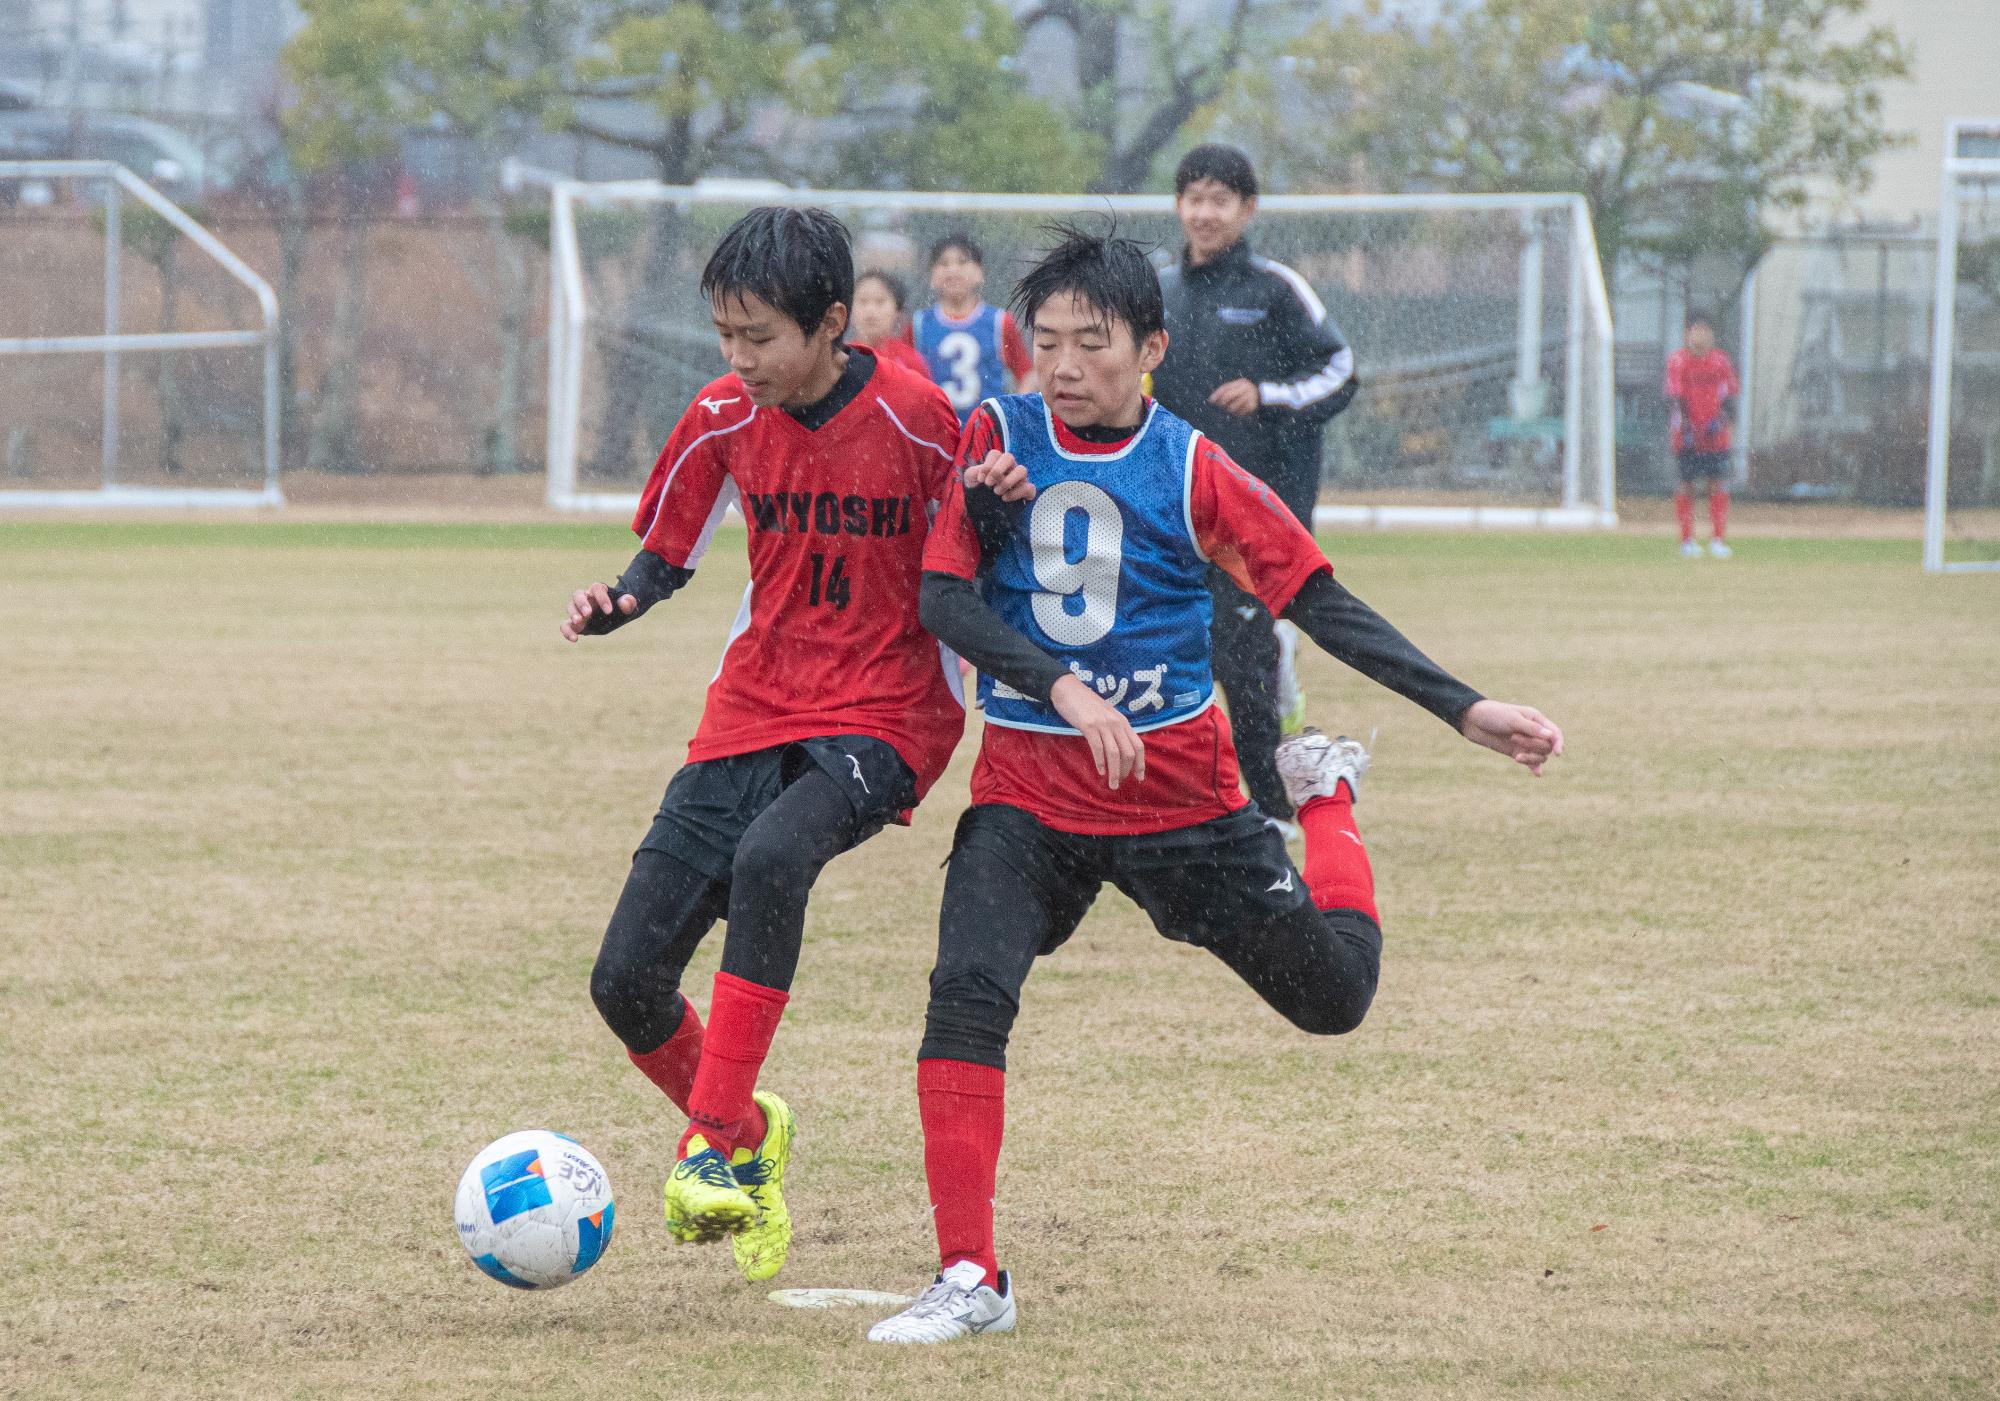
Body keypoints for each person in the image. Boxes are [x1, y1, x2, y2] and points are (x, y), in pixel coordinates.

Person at [866, 222, 1564, 1344]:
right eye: (1042, 342)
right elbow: (943, 600)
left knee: (1333, 1000)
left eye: (1088, 344)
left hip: (1178, 803)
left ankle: (1323, 792)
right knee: (965, 987)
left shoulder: (1191, 466)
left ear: (1148, 347)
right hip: (1028, 796)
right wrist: (1064, 691)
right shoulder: (993, 436)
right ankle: (970, 1277)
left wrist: (1462, 707)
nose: (1061, 367)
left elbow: (1318, 598)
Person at [560, 206, 1026, 1286]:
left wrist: (998, 509)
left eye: (759, 335)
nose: (738, 357)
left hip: (887, 713)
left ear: (830, 326)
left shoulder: (917, 420)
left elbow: (974, 552)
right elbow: (666, 549)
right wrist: (618, 602)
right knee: (625, 982)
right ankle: (749, 1134)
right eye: (724, 333)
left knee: (774, 858)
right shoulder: (724, 411)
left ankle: (709, 1142)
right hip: (753, 706)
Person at [1152, 143, 1359, 832]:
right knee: (1167, 649)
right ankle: (1162, 807)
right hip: (1169, 510)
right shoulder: (1160, 293)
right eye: (1194, 197)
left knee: (1238, 662)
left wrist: (1267, 394)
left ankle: (1273, 813)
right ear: (1179, 205)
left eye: (1220, 199)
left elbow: (1341, 370)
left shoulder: (1275, 289)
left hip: (1255, 513)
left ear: (1247, 209)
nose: (1204, 212)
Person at [911, 233, 1036, 421]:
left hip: (986, 436)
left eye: (962, 262)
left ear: (980, 274)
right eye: (944, 264)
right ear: (932, 276)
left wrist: (1011, 416)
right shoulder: (918, 325)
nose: (953, 270)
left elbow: (1026, 375)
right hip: (936, 434)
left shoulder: (999, 322)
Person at [1665, 312, 1739, 558]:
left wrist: (1722, 421)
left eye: (1705, 332)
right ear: (1687, 335)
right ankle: (1687, 540)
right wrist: (1686, 427)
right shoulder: (1678, 362)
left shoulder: (1720, 362)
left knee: (1717, 484)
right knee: (1686, 486)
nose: (1700, 338)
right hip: (1688, 437)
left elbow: (1729, 398)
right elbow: (1674, 398)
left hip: (1715, 437)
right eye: (1695, 331)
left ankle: (1718, 539)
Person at [852, 268, 930, 378]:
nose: (870, 310)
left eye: (880, 301)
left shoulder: (911, 361)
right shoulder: (842, 359)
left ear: (897, 311)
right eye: (862, 301)